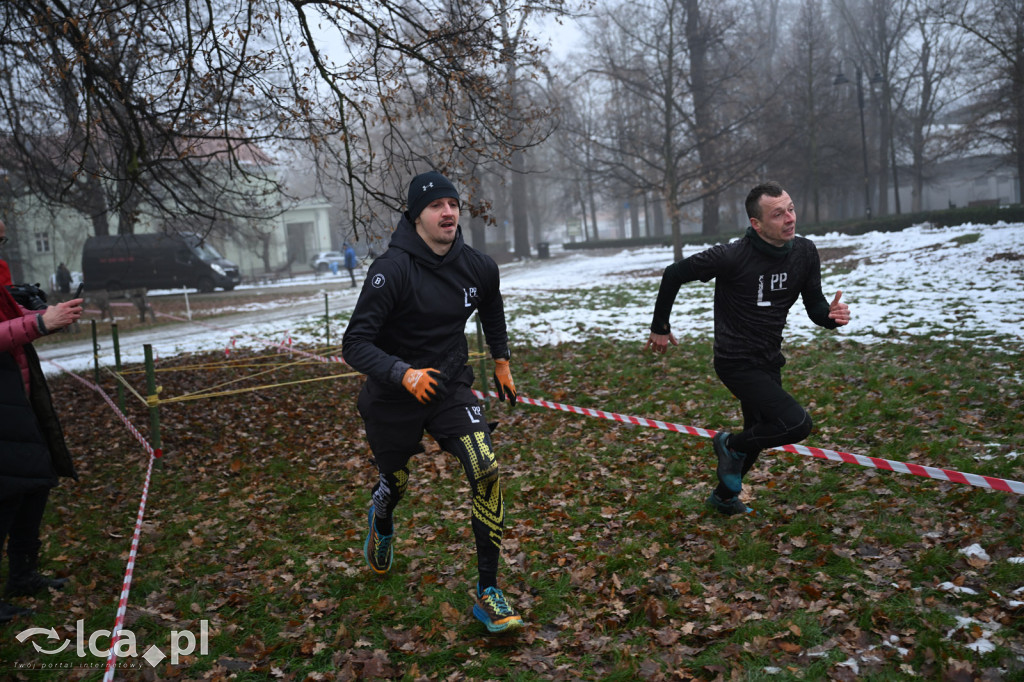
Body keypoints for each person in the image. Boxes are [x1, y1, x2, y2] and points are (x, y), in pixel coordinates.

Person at [341, 170, 524, 634]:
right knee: (397, 481)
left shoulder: (478, 265)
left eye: (453, 204)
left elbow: (492, 306)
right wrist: (402, 373)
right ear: (416, 216)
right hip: (391, 394)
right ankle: (381, 516)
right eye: (436, 206)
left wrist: (501, 360)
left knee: (486, 469)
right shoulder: (392, 269)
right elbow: (354, 344)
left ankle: (488, 593)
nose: (448, 212)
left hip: (448, 384)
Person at [644, 181, 850, 516]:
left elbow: (814, 304)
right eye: (778, 213)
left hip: (769, 358)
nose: (789, 218)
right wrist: (659, 327)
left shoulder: (805, 252)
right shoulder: (731, 256)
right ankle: (728, 444)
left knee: (760, 430)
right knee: (796, 424)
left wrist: (830, 317)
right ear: (756, 223)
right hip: (735, 361)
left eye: (791, 209)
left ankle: (723, 498)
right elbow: (673, 273)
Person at [0, 219, 83, 622]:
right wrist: (37, 322)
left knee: (34, 484)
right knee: (6, 494)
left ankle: (23, 575)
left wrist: (45, 314)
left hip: (18, 395)